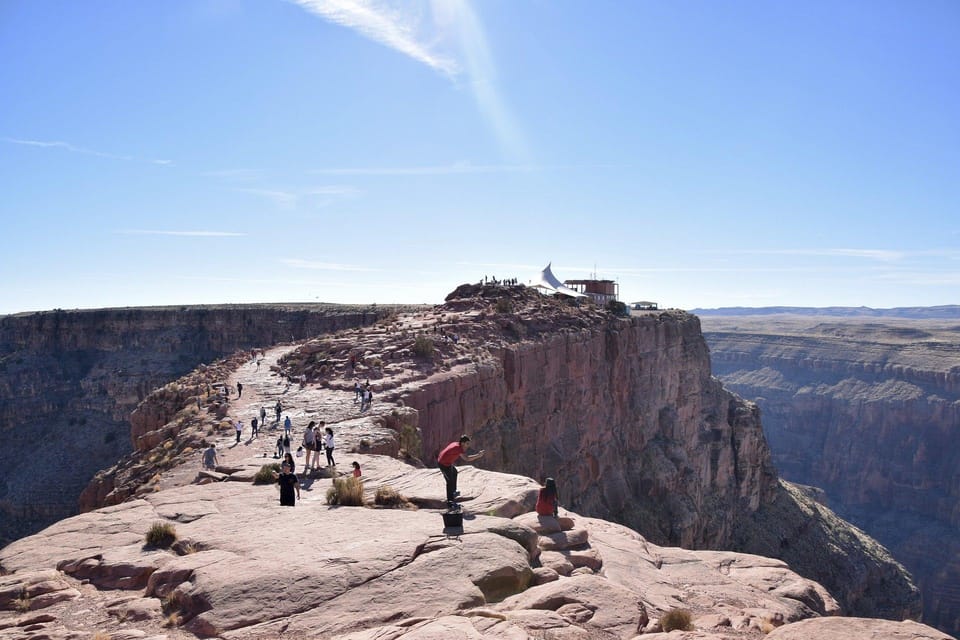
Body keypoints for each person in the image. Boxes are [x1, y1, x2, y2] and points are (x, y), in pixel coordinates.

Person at [437, 435, 485, 511]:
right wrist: (478, 455)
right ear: (462, 443)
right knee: (449, 482)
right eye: (467, 443)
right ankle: (450, 503)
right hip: (443, 464)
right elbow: (467, 459)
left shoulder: (456, 444)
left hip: (447, 463)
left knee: (455, 472)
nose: (468, 446)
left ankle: (453, 492)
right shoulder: (458, 448)